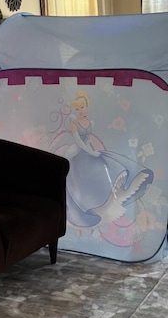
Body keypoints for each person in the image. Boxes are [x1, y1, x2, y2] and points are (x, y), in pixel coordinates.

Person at [50, 90, 153, 228]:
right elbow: (78, 141)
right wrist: (90, 151)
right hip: (77, 149)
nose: (80, 110)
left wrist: (92, 150)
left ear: (87, 107)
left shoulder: (90, 121)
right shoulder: (73, 122)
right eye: (77, 108)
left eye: (82, 107)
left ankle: (111, 193)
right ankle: (76, 202)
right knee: (67, 169)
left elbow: (87, 139)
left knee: (103, 163)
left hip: (88, 148)